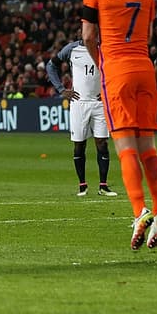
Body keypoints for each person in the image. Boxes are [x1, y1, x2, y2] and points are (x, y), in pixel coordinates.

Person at [81, 0, 157, 250]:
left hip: (117, 68)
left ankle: (139, 211)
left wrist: (101, 62)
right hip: (144, 67)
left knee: (125, 146)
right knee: (149, 146)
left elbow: (88, 35)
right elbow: (149, 31)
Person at [44, 40, 117, 197]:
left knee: (102, 142)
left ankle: (103, 186)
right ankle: (82, 186)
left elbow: (115, 70)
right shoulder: (72, 49)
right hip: (79, 103)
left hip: (99, 103)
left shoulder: (104, 48)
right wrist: (61, 89)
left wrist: (107, 90)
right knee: (79, 144)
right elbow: (51, 66)